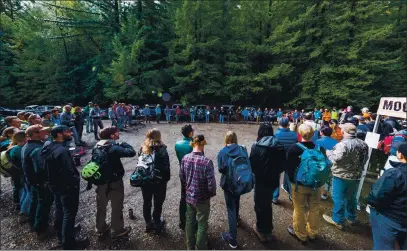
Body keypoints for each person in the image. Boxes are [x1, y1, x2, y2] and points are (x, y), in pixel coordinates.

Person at [40, 125, 89, 249]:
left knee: (60, 209)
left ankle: (61, 232)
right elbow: (69, 171)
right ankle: (69, 244)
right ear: (60, 134)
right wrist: (76, 181)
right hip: (66, 187)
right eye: (67, 132)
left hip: (54, 185)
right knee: (69, 214)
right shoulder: (62, 151)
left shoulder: (48, 146)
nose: (70, 134)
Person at [323, 123, 369, 230]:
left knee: (338, 197)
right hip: (356, 175)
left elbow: (337, 159)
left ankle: (338, 220)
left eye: (341, 130)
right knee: (351, 197)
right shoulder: (363, 144)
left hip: (341, 176)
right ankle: (351, 218)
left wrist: (329, 153)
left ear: (344, 132)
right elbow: (365, 159)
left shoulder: (342, 145)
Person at [93, 127, 136, 239]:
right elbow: (131, 152)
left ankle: (100, 227)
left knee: (101, 205)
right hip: (114, 181)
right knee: (116, 205)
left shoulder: (97, 146)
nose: (118, 133)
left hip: (100, 181)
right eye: (116, 132)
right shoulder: (113, 147)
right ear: (112, 135)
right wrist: (123, 143)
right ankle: (117, 229)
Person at [286, 124, 324, 244]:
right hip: (316, 184)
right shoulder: (319, 148)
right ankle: (312, 233)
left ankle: (301, 234)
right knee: (314, 208)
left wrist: (292, 181)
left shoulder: (294, 148)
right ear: (313, 134)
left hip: (300, 184)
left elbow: (289, 168)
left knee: (299, 208)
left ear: (299, 134)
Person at [367, 143, 407, 250]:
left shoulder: (395, 173)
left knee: (383, 246)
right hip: (403, 219)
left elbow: (378, 196)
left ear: (400, 155)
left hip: (390, 217)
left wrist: (373, 205)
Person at [250, 124, 285, 242]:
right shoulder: (279, 145)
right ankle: (267, 229)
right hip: (273, 179)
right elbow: (282, 165)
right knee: (267, 204)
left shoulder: (257, 146)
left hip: (261, 181)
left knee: (259, 205)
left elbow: (252, 164)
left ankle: (262, 229)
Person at [180, 134, 216, 250]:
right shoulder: (207, 162)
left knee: (190, 222)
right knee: (202, 224)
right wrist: (210, 194)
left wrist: (187, 189)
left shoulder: (185, 158)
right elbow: (211, 184)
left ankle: (190, 247)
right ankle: (200, 247)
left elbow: (182, 177)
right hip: (202, 198)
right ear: (202, 145)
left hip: (189, 197)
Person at [217, 131, 250, 248]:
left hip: (229, 184)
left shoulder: (223, 152)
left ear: (226, 139)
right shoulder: (242, 149)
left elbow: (221, 169)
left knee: (230, 208)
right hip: (240, 182)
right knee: (236, 202)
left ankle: (232, 238)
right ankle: (236, 220)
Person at [21, 125, 53, 240]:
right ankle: (41, 229)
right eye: (43, 132)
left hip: (31, 180)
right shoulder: (37, 149)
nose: (46, 134)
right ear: (35, 134)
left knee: (35, 201)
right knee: (44, 204)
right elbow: (41, 168)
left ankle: (33, 223)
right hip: (40, 182)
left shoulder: (27, 145)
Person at [139, 129, 170, 234]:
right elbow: (166, 168)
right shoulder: (162, 149)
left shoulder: (142, 148)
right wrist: (165, 180)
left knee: (146, 202)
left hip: (145, 181)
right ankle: (157, 221)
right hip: (158, 182)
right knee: (158, 203)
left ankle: (148, 223)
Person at [273, 117, 298, 204]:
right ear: (288, 124)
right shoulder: (294, 134)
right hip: (290, 159)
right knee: (290, 177)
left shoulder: (276, 134)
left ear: (279, 124)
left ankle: (275, 197)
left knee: (276, 177)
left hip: (278, 159)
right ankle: (292, 195)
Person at [175, 124, 194, 230]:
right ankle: (191, 221)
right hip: (192, 173)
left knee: (183, 196)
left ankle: (182, 220)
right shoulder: (193, 144)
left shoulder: (177, 144)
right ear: (190, 133)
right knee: (193, 197)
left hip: (182, 172)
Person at [316, 126, 338, 199]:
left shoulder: (318, 141)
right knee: (328, 179)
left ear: (321, 132)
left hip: (320, 163)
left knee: (318, 178)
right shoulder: (336, 142)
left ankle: (316, 192)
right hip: (331, 163)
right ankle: (325, 194)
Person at [8, 131, 28, 213]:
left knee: (18, 187)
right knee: (22, 189)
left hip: (15, 172)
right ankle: (22, 207)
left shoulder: (13, 147)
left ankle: (18, 203)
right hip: (20, 173)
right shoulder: (19, 149)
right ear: (24, 138)